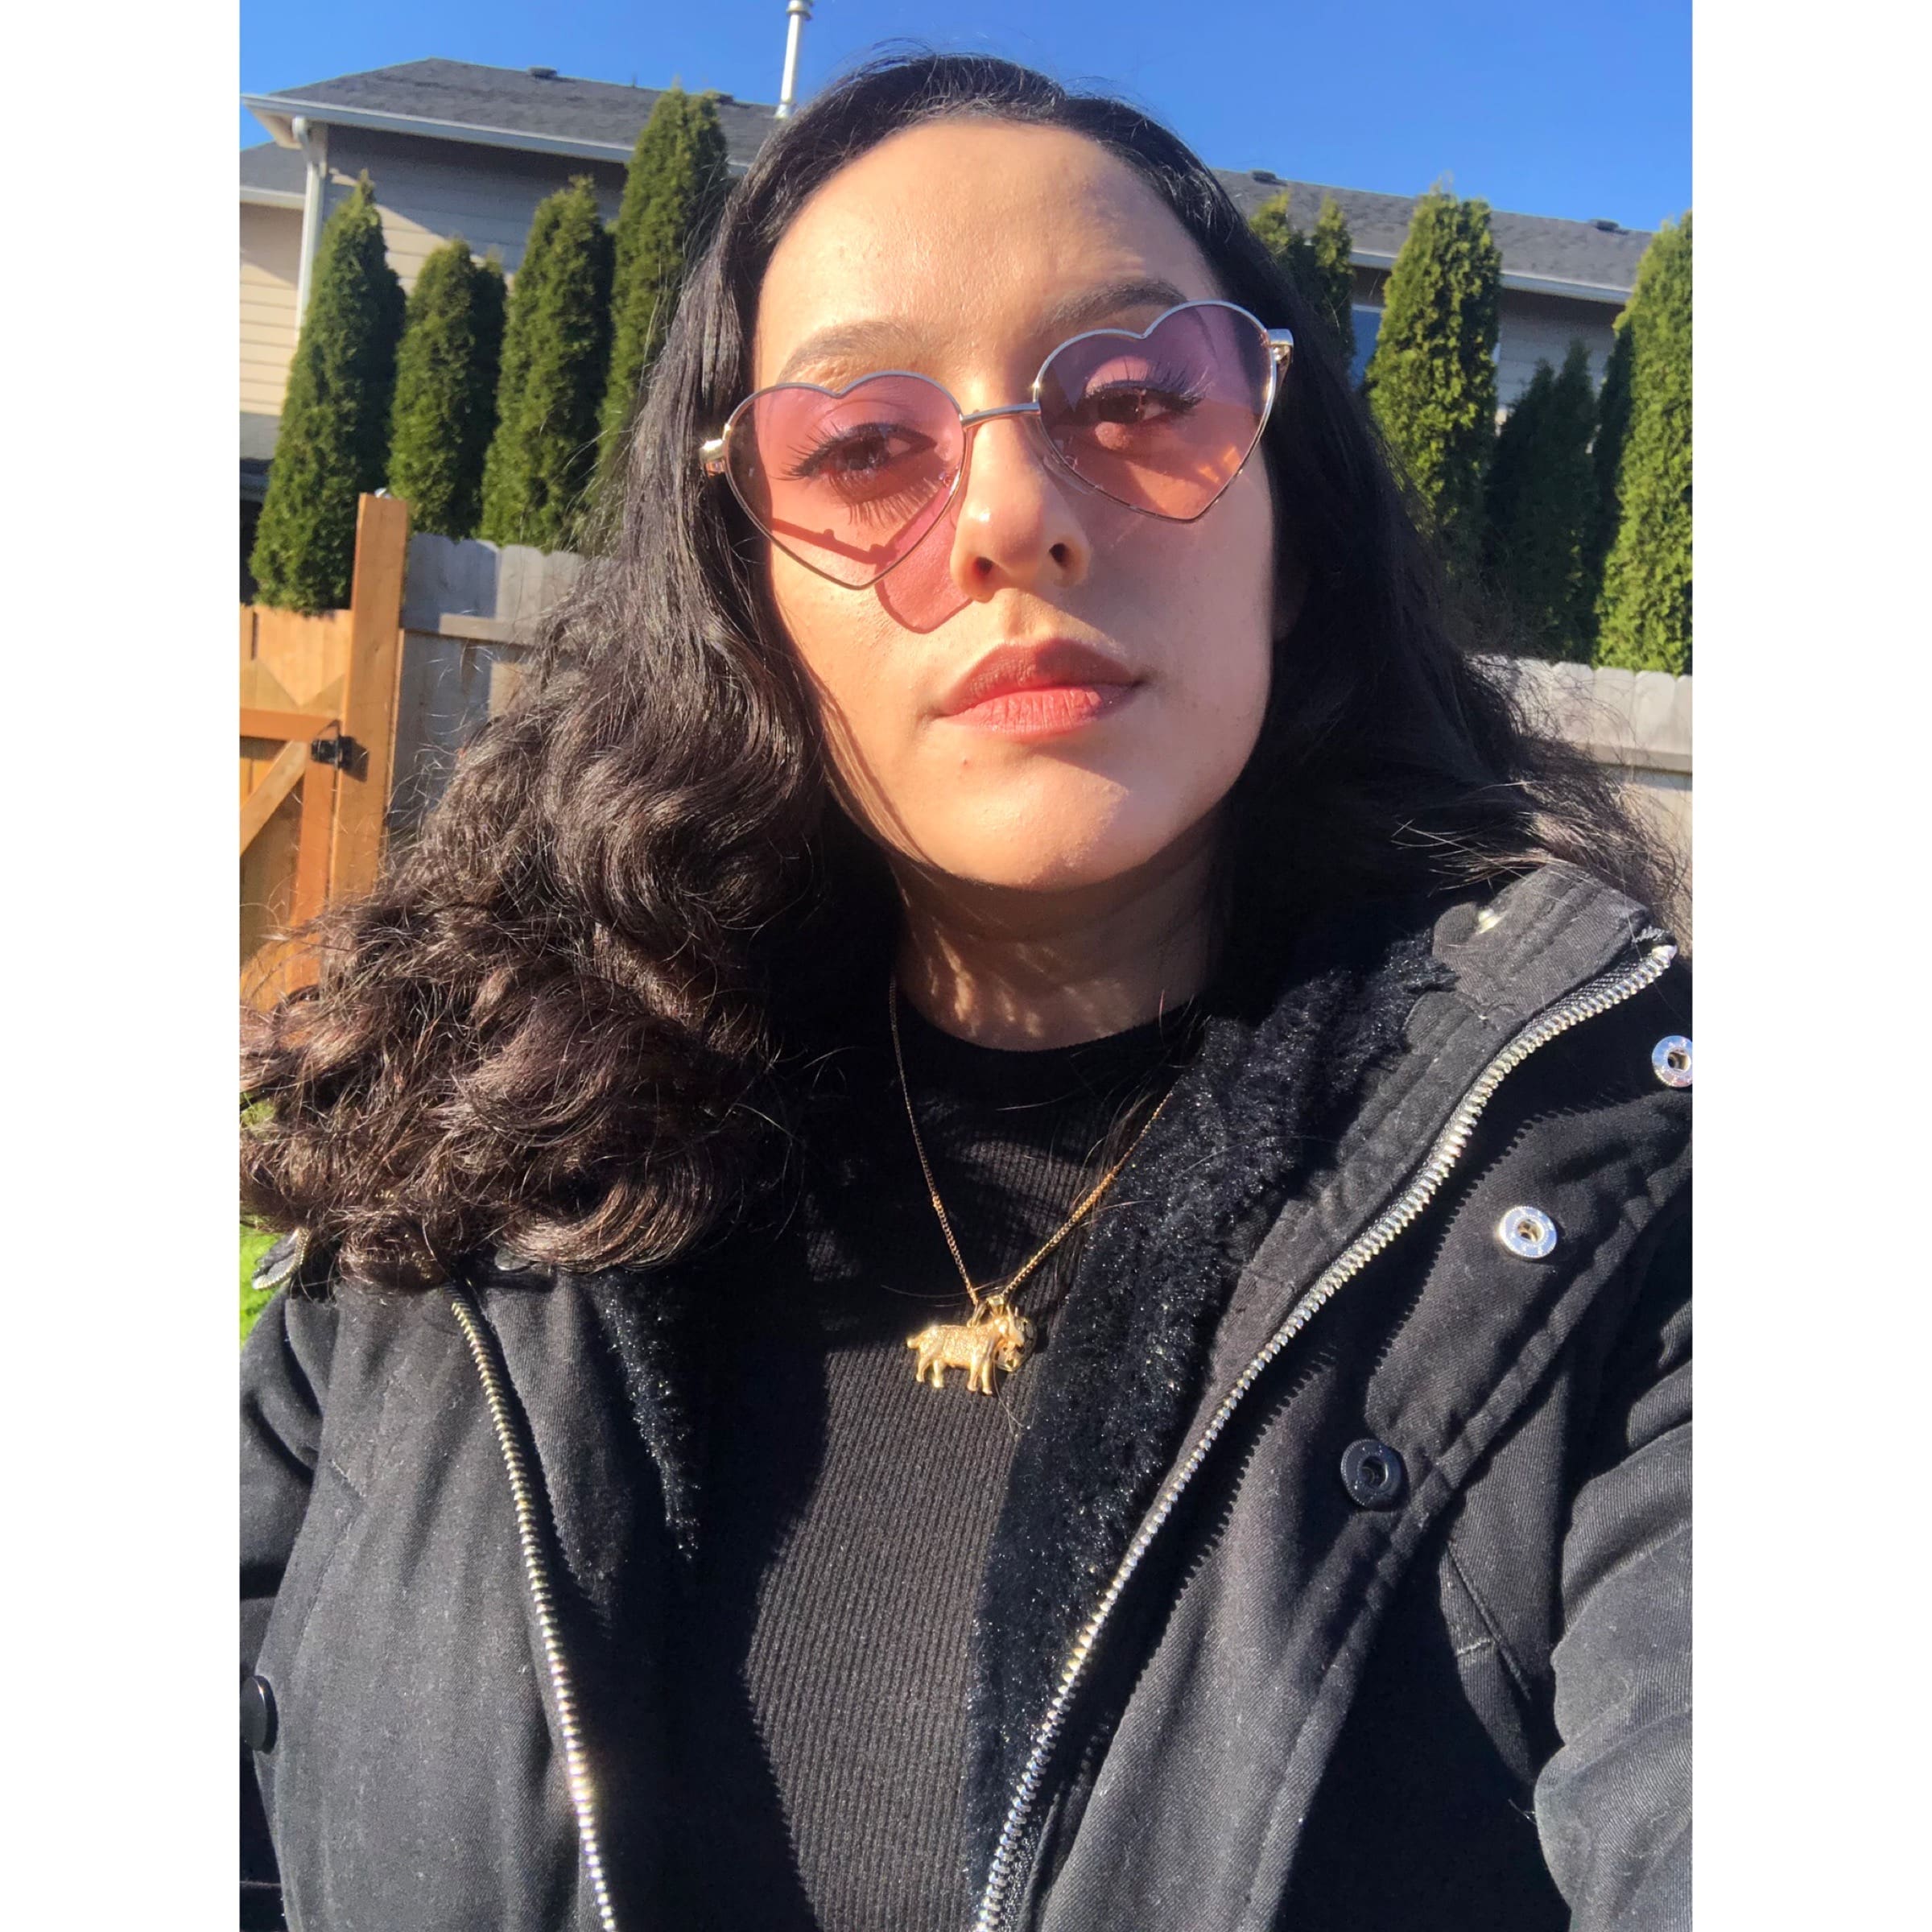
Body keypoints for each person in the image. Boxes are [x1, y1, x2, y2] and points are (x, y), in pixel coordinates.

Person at [240, 52, 1690, 1932]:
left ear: (1294, 533)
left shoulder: (1616, 1211)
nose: (1015, 516)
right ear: (743, 594)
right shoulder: (473, 1173)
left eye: (1137, 396)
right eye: (861, 448)